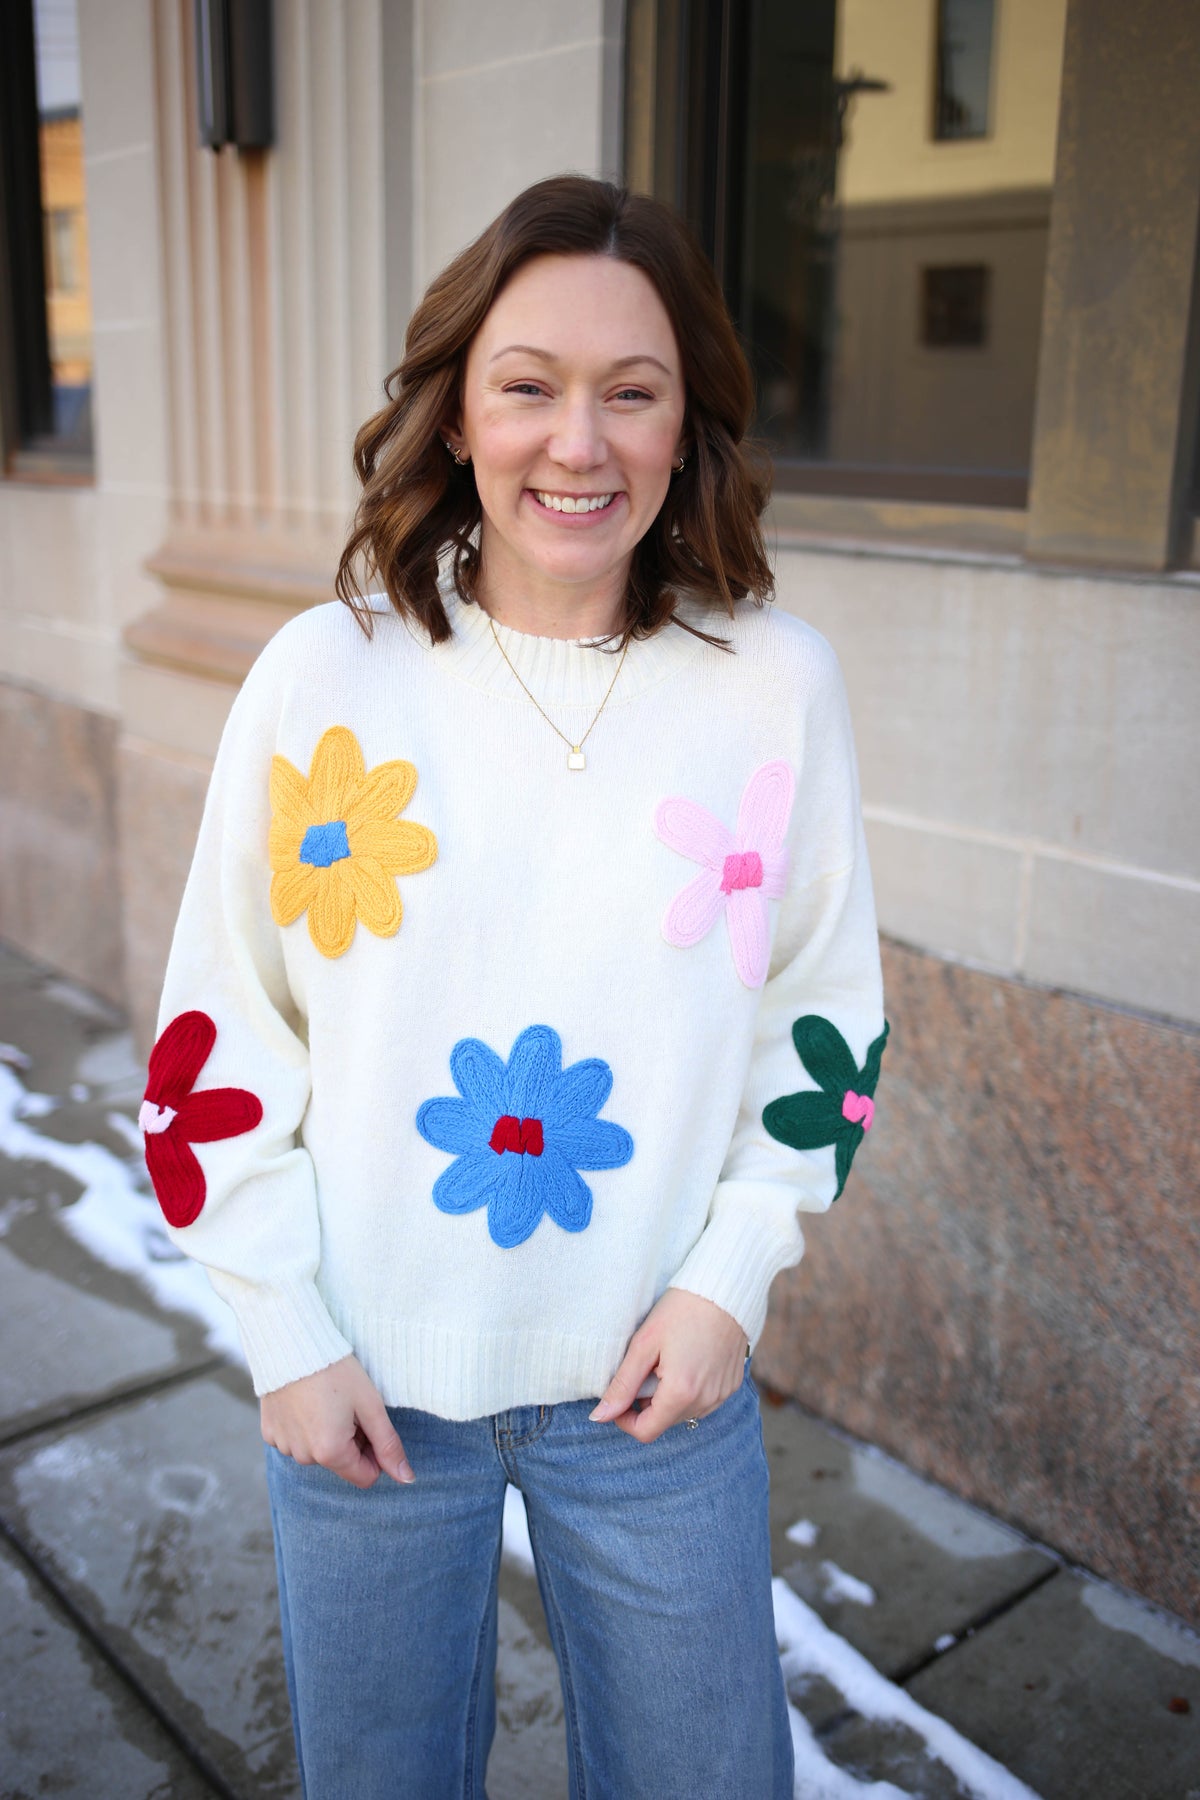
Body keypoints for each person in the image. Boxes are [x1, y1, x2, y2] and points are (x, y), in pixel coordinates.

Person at [142, 173, 888, 1799]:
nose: (581, 442)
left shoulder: (772, 687)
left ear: (688, 425)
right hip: (366, 1386)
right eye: (529, 386)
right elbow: (212, 1046)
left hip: (653, 1392)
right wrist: (281, 1328)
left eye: (634, 393)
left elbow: (825, 1032)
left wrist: (731, 1280)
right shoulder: (323, 678)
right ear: (457, 413)